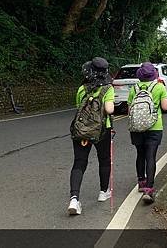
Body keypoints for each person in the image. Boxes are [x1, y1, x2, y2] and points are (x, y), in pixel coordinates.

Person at [67, 57, 114, 216]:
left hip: (81, 131)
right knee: (104, 159)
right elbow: (109, 110)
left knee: (79, 162)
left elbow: (78, 107)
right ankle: (103, 192)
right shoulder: (108, 88)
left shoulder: (82, 88)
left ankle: (74, 199)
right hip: (101, 130)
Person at [128, 62, 167, 203]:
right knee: (150, 156)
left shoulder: (134, 88)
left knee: (140, 154)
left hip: (137, 128)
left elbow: (129, 110)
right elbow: (165, 107)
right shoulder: (159, 87)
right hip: (154, 127)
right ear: (154, 74)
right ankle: (149, 189)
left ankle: (141, 182)